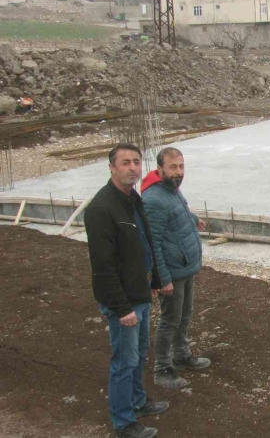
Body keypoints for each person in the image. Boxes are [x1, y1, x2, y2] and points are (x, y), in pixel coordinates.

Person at [85, 144, 169, 438]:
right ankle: (123, 422)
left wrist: (154, 281)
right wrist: (122, 309)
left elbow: (145, 245)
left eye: (136, 162)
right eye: (125, 163)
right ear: (111, 167)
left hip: (140, 293)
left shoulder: (134, 199)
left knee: (139, 354)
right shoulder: (101, 209)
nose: (133, 168)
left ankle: (137, 400)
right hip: (124, 301)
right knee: (124, 360)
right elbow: (103, 267)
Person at [141, 147, 209, 390]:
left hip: (186, 267)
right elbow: (153, 244)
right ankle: (163, 369)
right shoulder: (154, 199)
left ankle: (181, 354)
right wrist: (162, 279)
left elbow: (178, 212)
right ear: (160, 169)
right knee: (170, 320)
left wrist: (193, 219)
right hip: (173, 271)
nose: (178, 171)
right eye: (173, 167)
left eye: (181, 166)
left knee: (185, 315)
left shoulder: (171, 190)